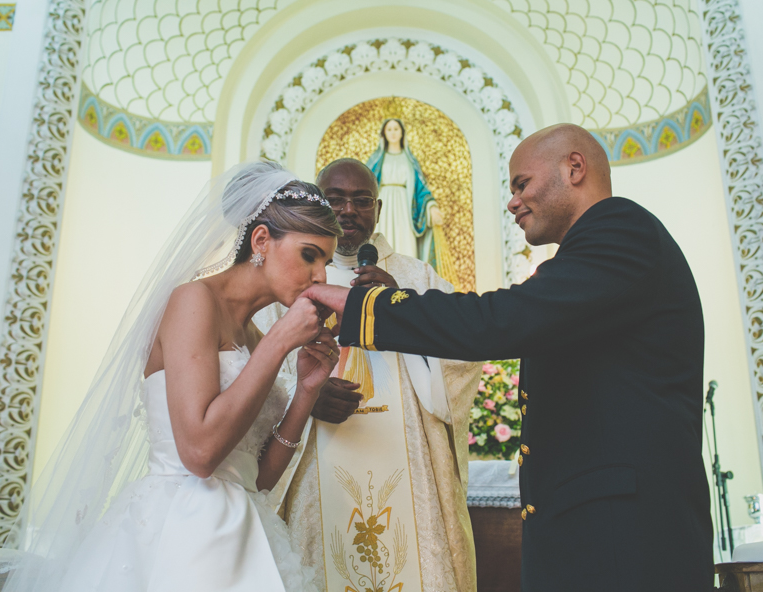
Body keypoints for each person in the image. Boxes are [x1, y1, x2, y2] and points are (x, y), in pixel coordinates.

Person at [303, 125, 715, 591]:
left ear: (574, 168)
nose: (513, 202)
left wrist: (365, 304)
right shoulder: (591, 252)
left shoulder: (621, 231)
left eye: (522, 184)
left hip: (625, 535)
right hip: (595, 530)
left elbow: (503, 320)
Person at [0, 162, 342, 592]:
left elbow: (255, 478)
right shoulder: (193, 301)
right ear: (262, 239)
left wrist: (306, 392)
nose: (321, 276)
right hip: (178, 537)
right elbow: (200, 454)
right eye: (309, 255)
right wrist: (279, 344)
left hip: (246, 537)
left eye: (326, 260)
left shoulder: (255, 336)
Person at [272, 158, 482, 592]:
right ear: (317, 204)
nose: (348, 210)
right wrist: (304, 397)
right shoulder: (289, 278)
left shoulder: (416, 277)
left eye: (361, 200)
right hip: (316, 463)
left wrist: (403, 306)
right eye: (335, 199)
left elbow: (466, 353)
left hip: (407, 461)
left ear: (380, 209)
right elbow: (258, 361)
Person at [366, 118, 443, 262]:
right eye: (389, 129)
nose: (393, 133)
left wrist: (431, 207)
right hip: (383, 205)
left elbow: (420, 189)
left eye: (396, 129)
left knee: (405, 241)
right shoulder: (376, 160)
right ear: (384, 134)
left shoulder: (410, 160)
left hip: (404, 207)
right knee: (382, 238)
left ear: (402, 133)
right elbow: (365, 183)